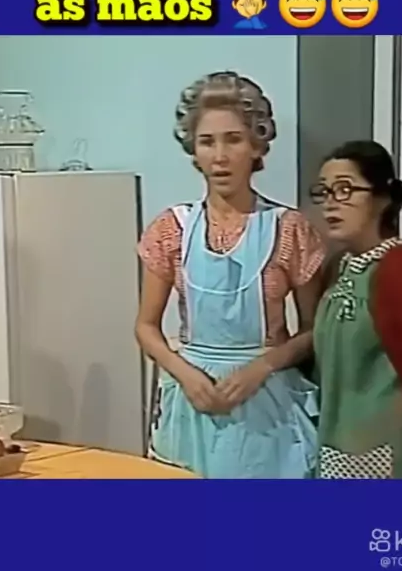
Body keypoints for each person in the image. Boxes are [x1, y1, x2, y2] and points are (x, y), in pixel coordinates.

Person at [135, 70, 325, 479]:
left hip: (268, 407)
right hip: (193, 402)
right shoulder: (171, 229)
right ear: (193, 150)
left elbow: (314, 330)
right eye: (207, 141)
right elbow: (145, 327)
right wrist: (185, 374)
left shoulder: (289, 229)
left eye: (233, 139)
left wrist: (263, 367)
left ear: (256, 145)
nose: (220, 156)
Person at [309, 140, 402, 479]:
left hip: (396, 454)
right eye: (325, 192)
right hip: (338, 446)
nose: (331, 202)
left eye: (345, 189)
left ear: (382, 198)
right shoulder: (338, 267)